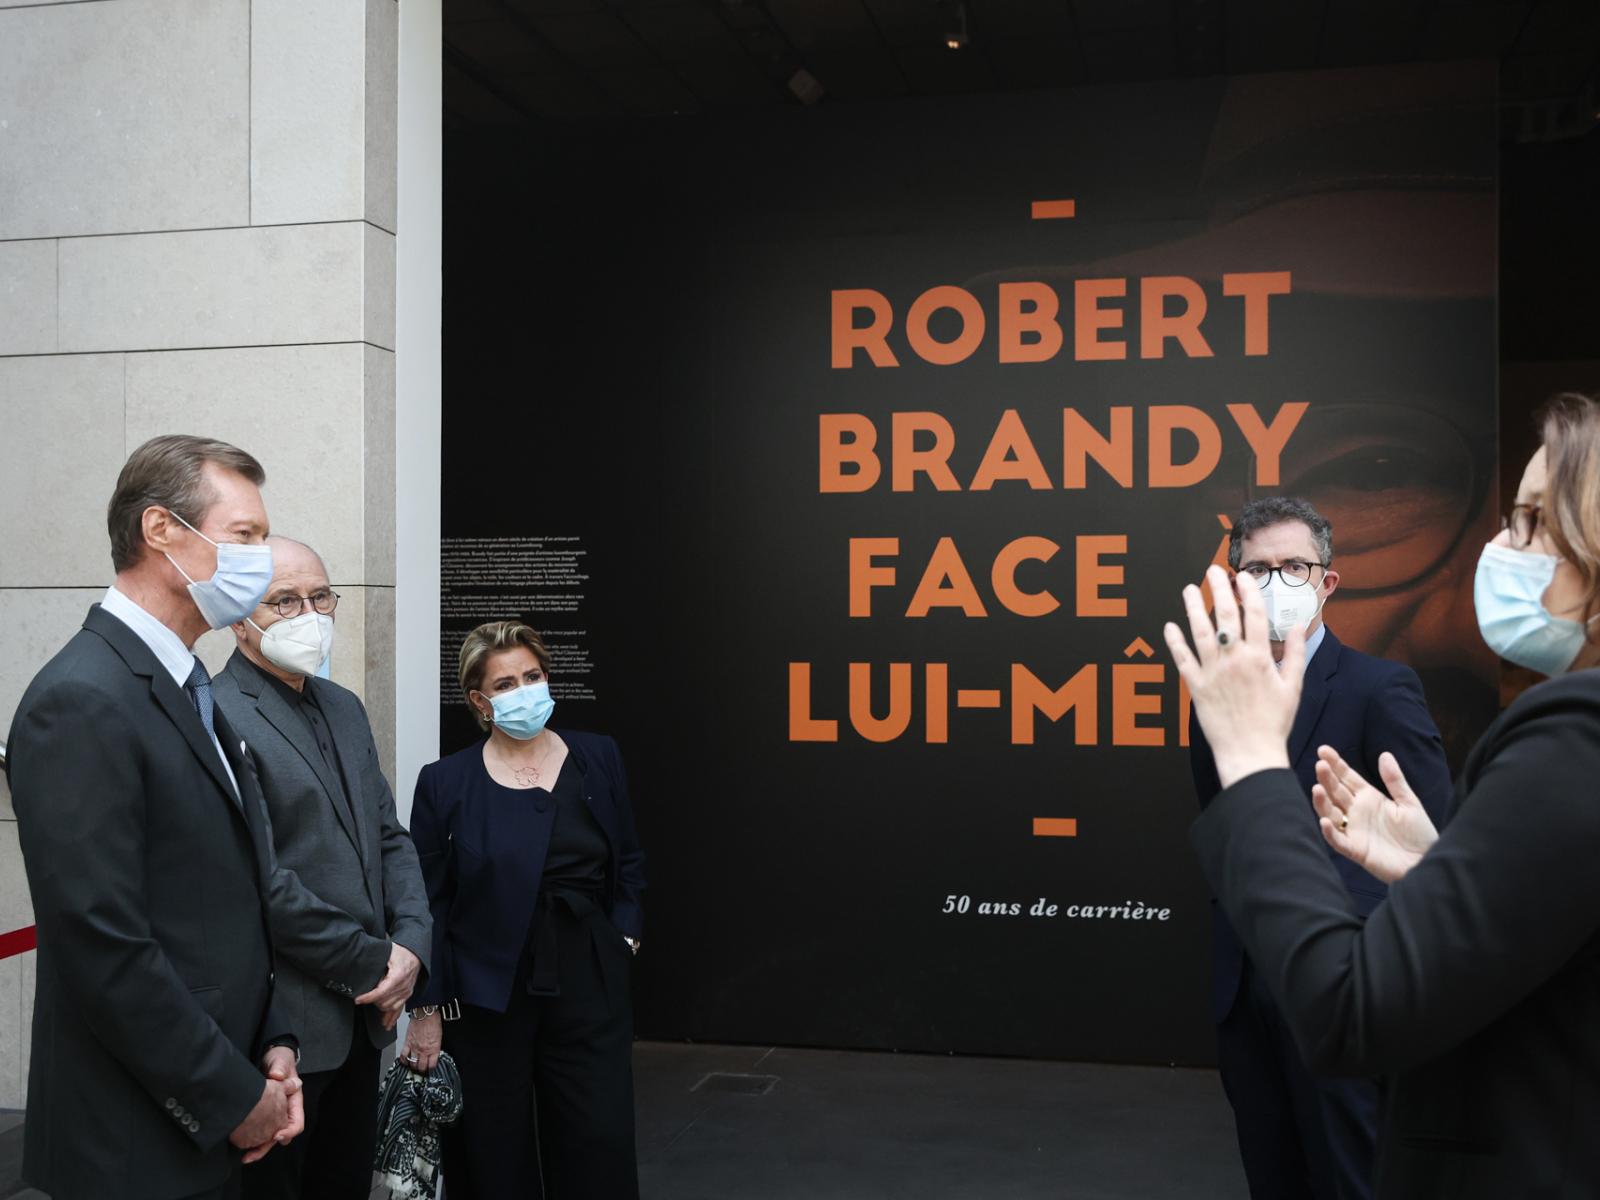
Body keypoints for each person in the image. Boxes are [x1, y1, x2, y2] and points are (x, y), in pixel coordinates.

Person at [1165, 392, 1600, 1197]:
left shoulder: (1574, 732)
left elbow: (1350, 1015)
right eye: (1255, 570)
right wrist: (1434, 866)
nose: (1501, 543)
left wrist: (1257, 760)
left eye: (1534, 520)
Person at [5, 435, 304, 1200]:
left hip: (216, 1112)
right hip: (134, 1144)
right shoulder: (82, 698)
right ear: (162, 530)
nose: (262, 560)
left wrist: (274, 1045)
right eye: (245, 537)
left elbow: (234, 895)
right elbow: (103, 947)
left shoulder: (188, 688)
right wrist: (234, 1099)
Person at [1189, 497, 1454, 1200]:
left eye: (1294, 566)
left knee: (1350, 1175)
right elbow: (1224, 822)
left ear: (1326, 582)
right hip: (1244, 982)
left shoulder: (1380, 687)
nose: (1276, 582)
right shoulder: (1215, 698)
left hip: (1344, 986)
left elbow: (1431, 843)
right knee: (1270, 1171)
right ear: (1235, 581)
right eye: (1259, 569)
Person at [210, 536, 432, 1200]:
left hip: (368, 1023)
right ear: (238, 619)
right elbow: (262, 882)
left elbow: (390, 839)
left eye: (319, 596)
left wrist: (412, 948)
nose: (309, 614)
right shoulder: (218, 716)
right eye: (284, 601)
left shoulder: (343, 706)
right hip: (284, 1030)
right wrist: (375, 966)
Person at [402, 620, 646, 1199]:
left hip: (588, 975)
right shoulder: (444, 782)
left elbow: (629, 859)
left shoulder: (598, 756)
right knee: (492, 1148)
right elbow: (427, 896)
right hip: (486, 992)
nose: (525, 690)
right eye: (507, 683)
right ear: (479, 701)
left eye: (533, 676)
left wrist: (624, 938)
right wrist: (426, 1006)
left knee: (597, 1138)